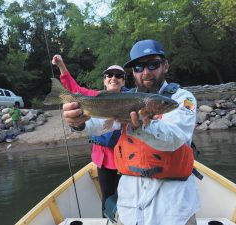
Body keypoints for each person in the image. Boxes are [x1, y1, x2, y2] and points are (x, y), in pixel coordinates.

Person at [61, 39, 200, 225]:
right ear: (133, 72)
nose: (146, 72)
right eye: (138, 67)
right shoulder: (126, 98)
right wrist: (77, 121)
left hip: (174, 209)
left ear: (165, 66)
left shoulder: (182, 98)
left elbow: (175, 138)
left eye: (153, 64)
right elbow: (96, 123)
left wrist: (144, 125)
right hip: (129, 207)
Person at [52, 54, 128, 216]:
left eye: (119, 76)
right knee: (107, 197)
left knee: (127, 199)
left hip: (127, 158)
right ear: (104, 80)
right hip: (104, 159)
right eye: (109, 75)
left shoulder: (132, 97)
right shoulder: (94, 96)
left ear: (124, 81)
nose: (113, 78)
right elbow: (74, 90)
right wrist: (61, 66)